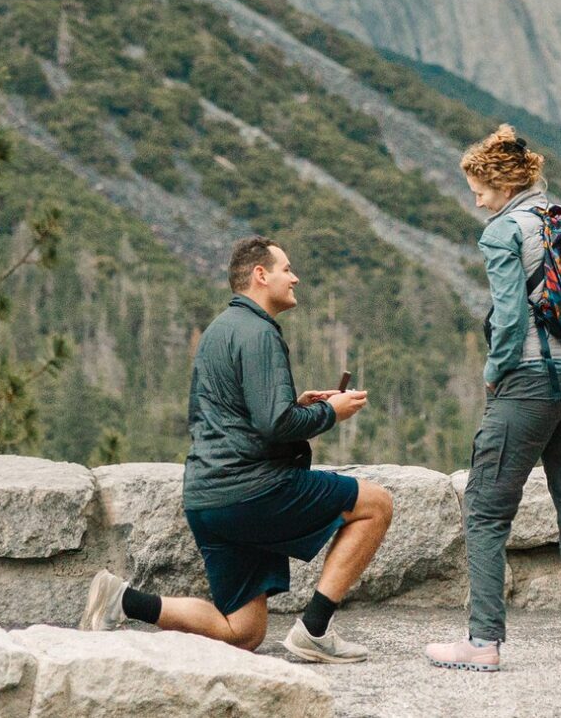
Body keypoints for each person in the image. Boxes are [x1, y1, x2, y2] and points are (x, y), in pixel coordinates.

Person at [79, 235, 395, 663]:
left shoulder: (221, 330)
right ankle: (315, 631)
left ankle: (122, 601)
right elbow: (274, 424)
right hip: (251, 491)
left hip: (209, 499)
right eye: (287, 269)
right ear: (260, 275)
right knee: (376, 503)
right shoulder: (259, 332)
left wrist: (297, 405)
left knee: (242, 633)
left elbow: (242, 413)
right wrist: (331, 413)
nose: (295, 277)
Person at [426, 124, 561, 672]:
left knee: (487, 510)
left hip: (527, 385)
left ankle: (483, 642)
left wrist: (496, 373)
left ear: (501, 182)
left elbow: (511, 318)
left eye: (478, 187)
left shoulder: (502, 232)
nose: (474, 197)